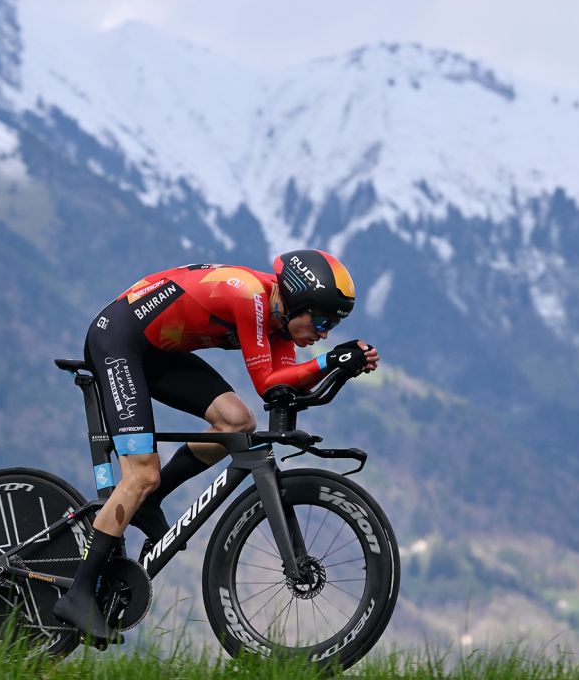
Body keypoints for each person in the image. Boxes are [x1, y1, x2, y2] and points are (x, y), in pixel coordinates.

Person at [51, 249, 380, 638]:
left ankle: (151, 501)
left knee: (237, 422)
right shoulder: (250, 297)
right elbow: (267, 383)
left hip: (158, 351)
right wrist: (328, 361)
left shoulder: (280, 317)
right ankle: (80, 592)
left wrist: (342, 366)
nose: (324, 333)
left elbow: (284, 383)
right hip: (118, 342)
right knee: (140, 475)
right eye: (322, 320)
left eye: (333, 325)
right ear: (297, 302)